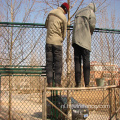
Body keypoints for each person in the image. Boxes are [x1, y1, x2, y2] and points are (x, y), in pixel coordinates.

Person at [72, 3, 97, 87]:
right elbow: (92, 25)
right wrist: (90, 32)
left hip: (76, 40)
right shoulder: (90, 12)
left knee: (77, 62)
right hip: (85, 40)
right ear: (93, 8)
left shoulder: (78, 12)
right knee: (86, 62)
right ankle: (87, 83)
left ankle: (78, 83)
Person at [45, 2, 69, 87]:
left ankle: (50, 83)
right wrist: (60, 39)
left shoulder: (50, 13)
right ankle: (58, 83)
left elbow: (46, 25)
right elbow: (64, 33)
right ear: (65, 10)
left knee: (49, 63)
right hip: (57, 43)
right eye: (66, 12)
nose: (65, 13)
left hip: (48, 42)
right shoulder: (63, 18)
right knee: (58, 63)